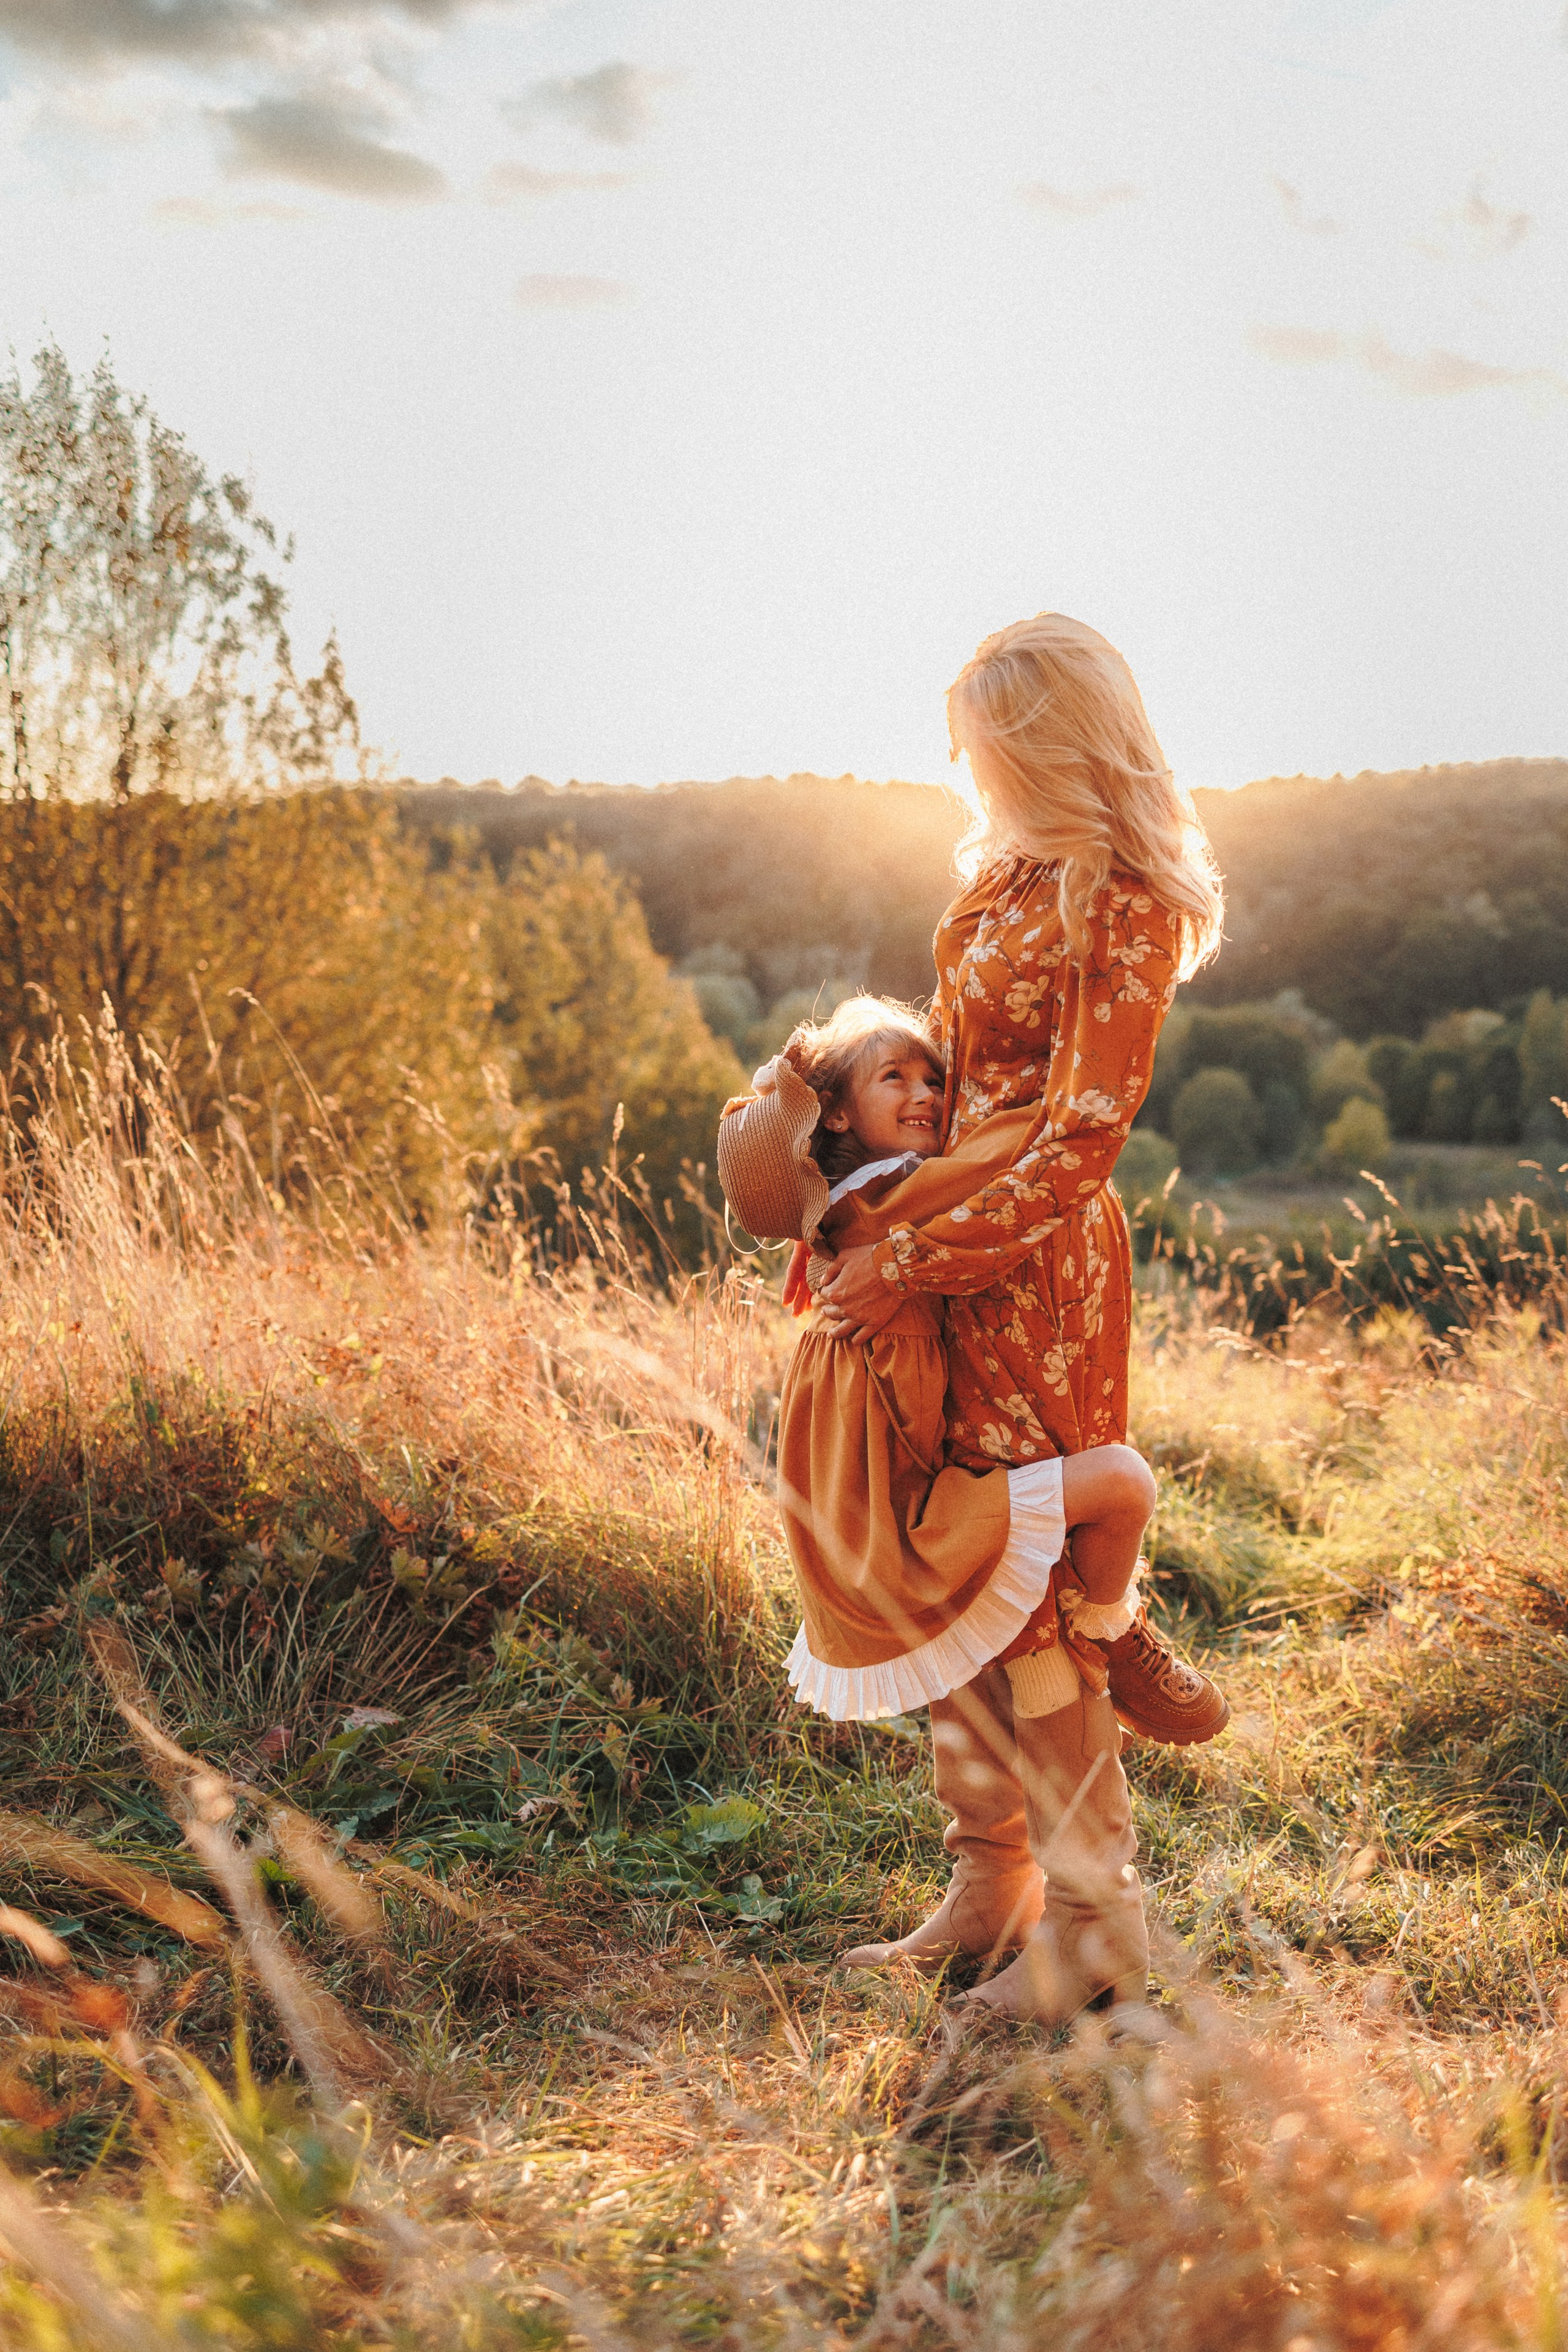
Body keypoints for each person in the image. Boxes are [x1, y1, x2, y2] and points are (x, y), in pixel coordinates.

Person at [806, 612, 1226, 2022]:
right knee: (944, 1565)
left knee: (1027, 1576)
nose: (955, 762)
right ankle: (992, 1883)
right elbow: (950, 1079)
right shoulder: (997, 879)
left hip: (1030, 1265)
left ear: (1044, 740)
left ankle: (1096, 1928)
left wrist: (916, 1263)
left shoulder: (1120, 897)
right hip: (938, 1242)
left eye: (977, 738)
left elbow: (1077, 1145)